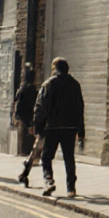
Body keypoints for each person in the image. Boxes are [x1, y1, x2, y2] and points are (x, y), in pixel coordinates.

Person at [33, 57, 84, 198]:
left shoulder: (49, 84)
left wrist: (38, 127)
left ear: (55, 69)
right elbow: (80, 107)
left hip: (52, 127)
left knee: (46, 157)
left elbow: (40, 107)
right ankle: (71, 189)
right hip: (70, 127)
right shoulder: (75, 84)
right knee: (69, 158)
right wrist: (81, 130)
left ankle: (49, 181)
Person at [12, 67, 41, 186]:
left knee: (27, 139)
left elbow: (16, 102)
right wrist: (31, 122)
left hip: (22, 117)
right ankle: (30, 160)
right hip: (29, 118)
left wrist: (16, 116)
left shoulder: (22, 88)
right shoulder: (31, 89)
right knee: (31, 140)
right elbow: (33, 106)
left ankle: (28, 161)